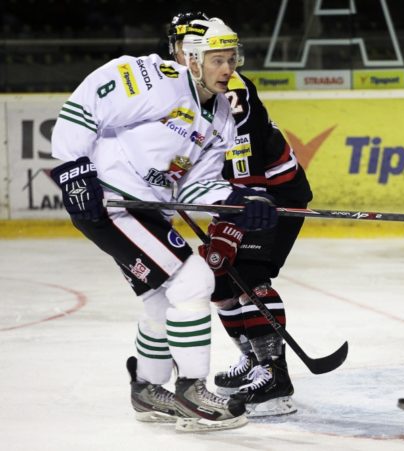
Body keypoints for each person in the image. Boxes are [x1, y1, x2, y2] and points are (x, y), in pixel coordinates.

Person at [50, 17, 279, 432]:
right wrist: (73, 168)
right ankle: (193, 390)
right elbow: (84, 106)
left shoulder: (222, 114)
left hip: (148, 210)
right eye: (217, 60)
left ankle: (148, 388)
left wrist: (235, 200)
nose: (227, 69)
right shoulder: (158, 79)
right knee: (194, 282)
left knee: (160, 299)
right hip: (110, 202)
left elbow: (196, 183)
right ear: (193, 60)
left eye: (232, 59)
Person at [167, 12, 313, 417]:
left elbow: (243, 163)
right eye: (179, 46)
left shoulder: (231, 90)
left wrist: (236, 215)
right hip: (237, 195)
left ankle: (275, 378)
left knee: (248, 274)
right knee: (219, 279)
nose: (181, 54)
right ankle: (252, 359)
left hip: (271, 195)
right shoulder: (179, 88)